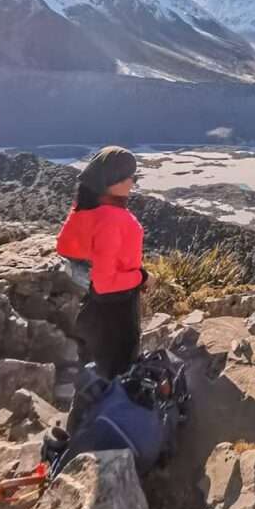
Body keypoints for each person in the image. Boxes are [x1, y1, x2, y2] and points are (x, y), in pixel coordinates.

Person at [56, 146, 147, 379]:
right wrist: (141, 277)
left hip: (92, 311)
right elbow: (107, 283)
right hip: (116, 313)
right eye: (130, 177)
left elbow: (66, 246)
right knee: (118, 381)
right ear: (113, 181)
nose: (133, 183)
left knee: (91, 380)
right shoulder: (113, 219)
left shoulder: (85, 210)